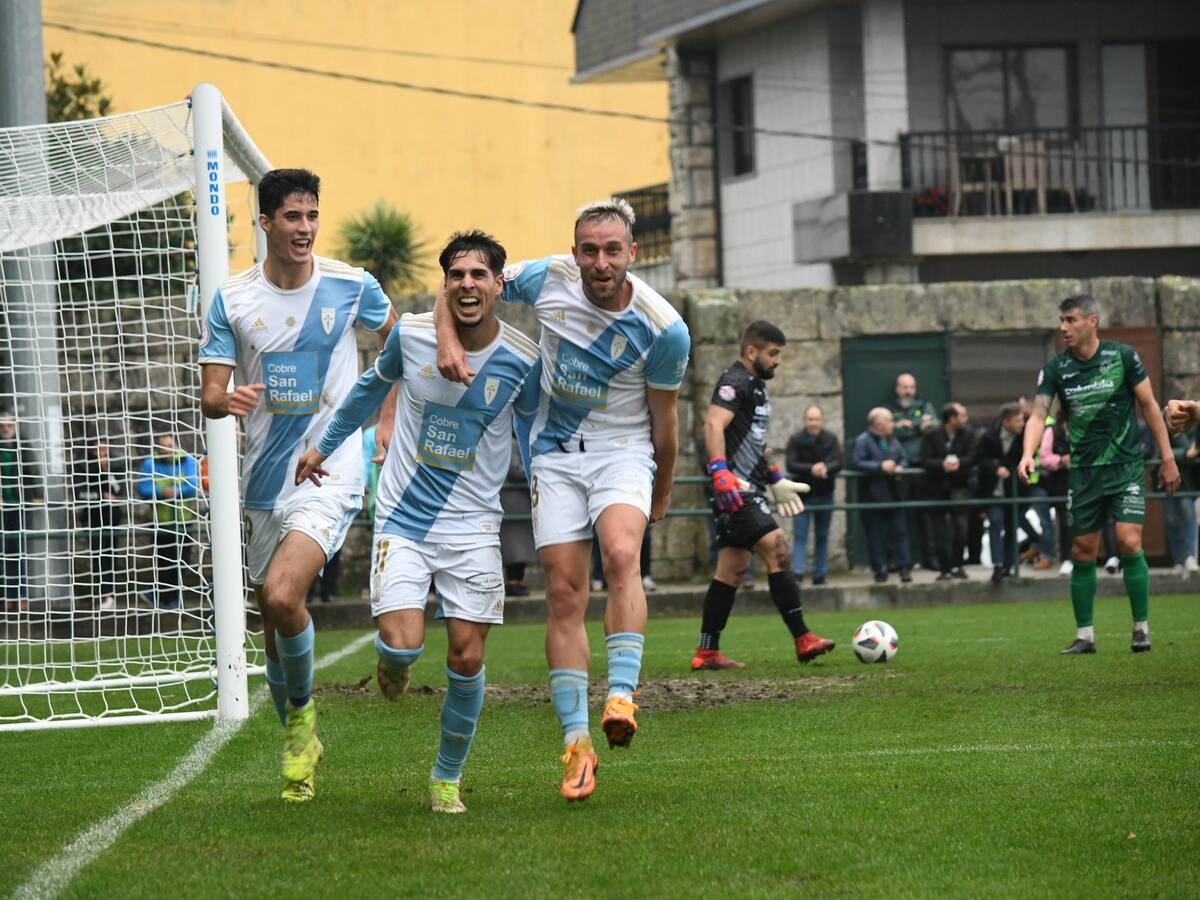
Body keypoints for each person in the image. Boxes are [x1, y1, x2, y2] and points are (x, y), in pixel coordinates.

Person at [434, 198, 690, 803]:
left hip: (623, 448)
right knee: (563, 592)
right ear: (574, 252)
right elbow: (464, 287)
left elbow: (666, 422)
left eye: (612, 250)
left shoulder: (663, 328)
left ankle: (622, 695)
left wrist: (662, 491)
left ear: (633, 253)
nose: (600, 262)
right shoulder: (548, 277)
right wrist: (447, 341)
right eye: (589, 250)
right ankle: (577, 746)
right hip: (552, 451)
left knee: (623, 554)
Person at [297, 230, 539, 815]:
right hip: (404, 520)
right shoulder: (412, 336)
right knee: (402, 649)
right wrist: (324, 448)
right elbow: (364, 392)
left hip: (476, 528)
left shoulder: (523, 360)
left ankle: (446, 779)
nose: (467, 285)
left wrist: (553, 499)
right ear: (444, 284)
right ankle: (391, 665)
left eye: (479, 275)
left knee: (467, 658)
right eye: (455, 275)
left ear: (499, 285)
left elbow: (534, 440)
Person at [199, 168, 398, 803]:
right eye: (292, 217)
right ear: (265, 223)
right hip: (261, 479)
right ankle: (300, 737)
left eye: (312, 216)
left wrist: (388, 416)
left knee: (283, 595)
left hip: (327, 470)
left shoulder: (351, 285)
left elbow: (400, 339)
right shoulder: (232, 299)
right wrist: (227, 399)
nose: (306, 228)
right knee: (271, 619)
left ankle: (301, 724)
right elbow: (209, 394)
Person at [1019, 294, 1180, 654]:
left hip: (1125, 467)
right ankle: (1085, 635)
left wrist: (1168, 458)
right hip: (1084, 473)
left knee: (1128, 542)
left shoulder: (1122, 357)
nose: (1064, 328)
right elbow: (1037, 415)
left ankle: (1141, 628)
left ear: (1092, 321)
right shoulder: (1057, 368)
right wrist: (1027, 454)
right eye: (1061, 320)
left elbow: (1150, 406)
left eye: (1071, 320)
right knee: (1082, 550)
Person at [691, 322, 834, 670]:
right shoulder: (734, 381)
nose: (777, 361)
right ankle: (803, 637)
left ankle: (707, 651)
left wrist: (775, 477)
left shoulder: (756, 387)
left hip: (749, 486)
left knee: (733, 567)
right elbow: (712, 425)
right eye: (773, 353)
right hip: (736, 489)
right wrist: (719, 471)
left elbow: (756, 443)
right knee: (778, 547)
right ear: (751, 351)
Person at [136, 430, 198, 609]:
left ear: (175, 445)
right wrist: (161, 493)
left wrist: (177, 492)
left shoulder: (187, 460)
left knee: (184, 560)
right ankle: (168, 600)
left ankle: (163, 597)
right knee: (164, 562)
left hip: (184, 520)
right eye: (163, 448)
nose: (167, 451)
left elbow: (193, 486)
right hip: (160, 522)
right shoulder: (150, 464)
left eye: (169, 446)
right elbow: (143, 489)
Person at [852, 408, 911, 583]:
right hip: (872, 497)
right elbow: (857, 462)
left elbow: (903, 458)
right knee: (874, 536)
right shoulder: (863, 441)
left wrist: (901, 467)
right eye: (890, 421)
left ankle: (905, 568)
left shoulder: (893, 440)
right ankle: (879, 570)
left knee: (900, 533)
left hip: (894, 494)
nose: (893, 425)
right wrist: (880, 466)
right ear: (878, 424)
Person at [918, 402, 976, 580]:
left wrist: (958, 464)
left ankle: (958, 565)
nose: (965, 419)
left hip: (959, 489)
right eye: (962, 416)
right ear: (952, 418)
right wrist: (942, 465)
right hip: (936, 489)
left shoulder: (968, 435)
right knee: (940, 533)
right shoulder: (932, 435)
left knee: (961, 529)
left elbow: (973, 457)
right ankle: (945, 569)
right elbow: (925, 460)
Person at [785, 404, 842, 585]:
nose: (813, 423)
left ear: (822, 420)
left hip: (825, 492)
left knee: (822, 535)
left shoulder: (830, 439)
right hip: (802, 496)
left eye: (816, 419)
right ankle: (798, 573)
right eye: (810, 419)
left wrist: (825, 468)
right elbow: (791, 464)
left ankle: (820, 574)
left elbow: (839, 461)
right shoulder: (796, 439)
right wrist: (811, 469)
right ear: (805, 421)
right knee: (800, 535)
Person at [889, 373, 938, 570]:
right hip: (900, 469)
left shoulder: (925, 406)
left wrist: (910, 427)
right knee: (897, 515)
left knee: (926, 515)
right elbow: (890, 430)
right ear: (897, 389)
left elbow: (933, 427)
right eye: (904, 387)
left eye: (911, 387)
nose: (908, 391)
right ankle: (897, 560)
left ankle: (931, 558)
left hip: (922, 468)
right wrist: (917, 427)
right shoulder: (890, 409)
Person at [74, 438, 127, 609]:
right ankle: (104, 594)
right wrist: (101, 496)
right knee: (98, 555)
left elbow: (119, 491)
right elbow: (81, 494)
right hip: (92, 517)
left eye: (105, 450)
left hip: (112, 516)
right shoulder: (82, 467)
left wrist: (106, 472)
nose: (102, 454)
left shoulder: (116, 466)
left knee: (111, 553)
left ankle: (111, 593)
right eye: (98, 450)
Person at [978, 403, 1026, 585]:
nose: (1022, 424)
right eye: (1017, 420)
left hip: (1014, 491)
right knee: (996, 523)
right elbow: (981, 460)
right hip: (994, 491)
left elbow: (1021, 458)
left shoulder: (1023, 437)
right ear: (1006, 422)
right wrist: (995, 466)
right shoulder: (989, 436)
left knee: (1012, 527)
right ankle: (997, 564)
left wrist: (1002, 462)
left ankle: (1008, 564)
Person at [0, 415, 39, 612]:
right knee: (4, 552)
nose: (6, 429)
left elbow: (32, 470)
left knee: (20, 551)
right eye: (3, 426)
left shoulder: (22, 445)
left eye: (9, 425)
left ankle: (22, 595)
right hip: (3, 506)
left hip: (20, 504)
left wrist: (38, 495)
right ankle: (7, 595)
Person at [1035, 412, 1074, 574]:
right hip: (1060, 483)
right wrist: (1061, 461)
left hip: (1083, 481)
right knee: (1065, 522)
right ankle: (1067, 558)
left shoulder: (1087, 428)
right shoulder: (1052, 430)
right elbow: (1044, 457)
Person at [501, 435, 536, 597]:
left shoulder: (515, 441)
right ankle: (513, 582)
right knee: (514, 546)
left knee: (519, 546)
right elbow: (515, 471)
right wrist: (535, 469)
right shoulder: (508, 442)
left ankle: (517, 581)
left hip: (519, 501)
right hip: (513, 501)